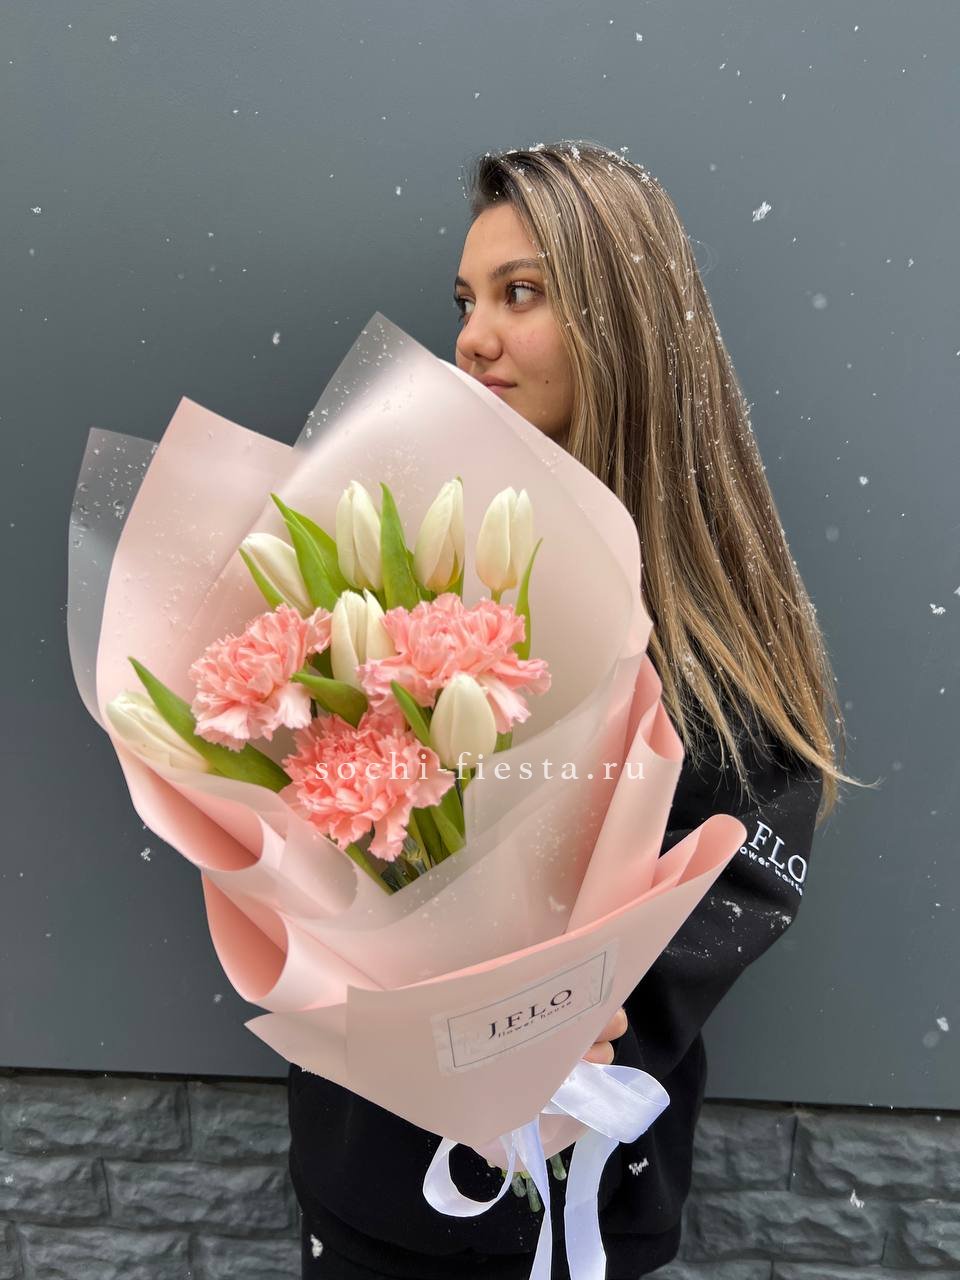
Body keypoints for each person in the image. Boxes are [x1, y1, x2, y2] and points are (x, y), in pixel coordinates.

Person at [290, 140, 865, 1279]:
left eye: (522, 292)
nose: (473, 336)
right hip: (366, 1177)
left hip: (579, 1196)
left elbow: (746, 866)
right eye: (467, 299)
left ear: (625, 322)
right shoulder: (416, 546)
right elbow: (315, 825)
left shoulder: (702, 600)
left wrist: (579, 1015)